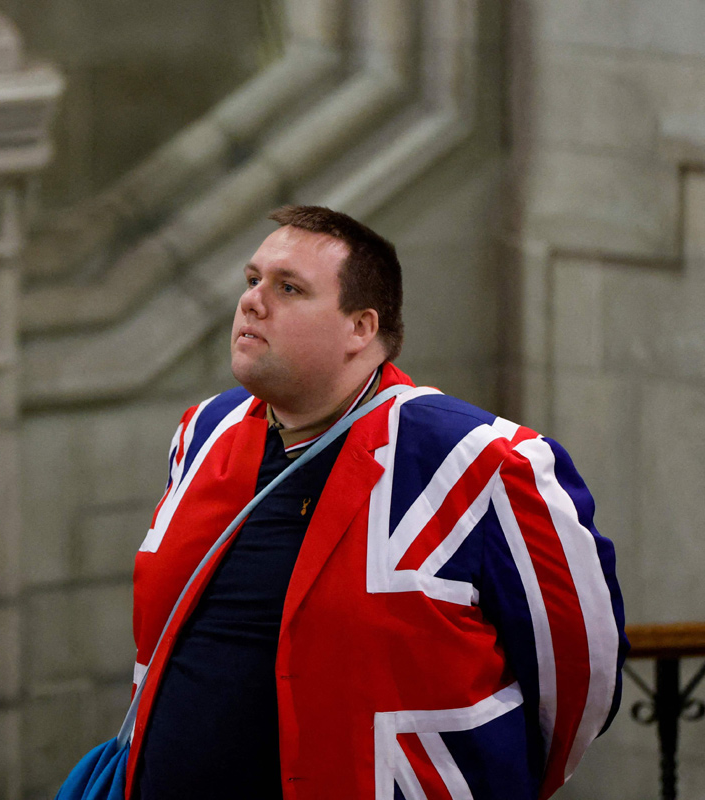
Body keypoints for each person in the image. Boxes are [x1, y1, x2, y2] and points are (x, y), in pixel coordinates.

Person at [125, 206, 627, 800]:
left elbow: (579, 676)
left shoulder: (482, 461)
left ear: (361, 327)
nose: (254, 301)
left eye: (289, 288)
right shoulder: (203, 432)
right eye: (252, 279)